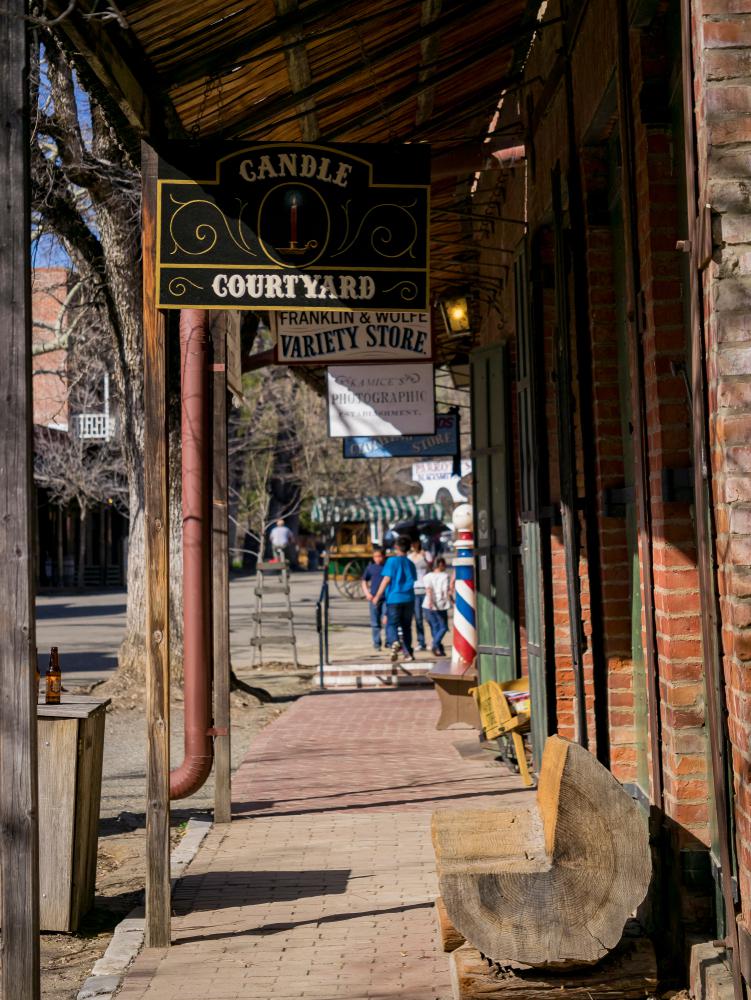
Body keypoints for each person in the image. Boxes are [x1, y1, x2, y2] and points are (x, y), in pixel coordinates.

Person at [373, 535, 417, 661]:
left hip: (394, 598)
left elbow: (386, 579)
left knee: (392, 624)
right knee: (406, 626)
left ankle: (394, 641)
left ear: (396, 547)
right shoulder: (410, 563)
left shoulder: (391, 561)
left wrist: (377, 596)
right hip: (409, 598)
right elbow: (412, 579)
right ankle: (408, 653)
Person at [408, 539, 433, 652]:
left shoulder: (426, 554)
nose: (414, 545)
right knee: (418, 618)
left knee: (429, 617)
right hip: (414, 589)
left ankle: (434, 640)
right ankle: (421, 642)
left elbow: (431, 568)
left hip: (426, 589)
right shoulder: (409, 556)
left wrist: (425, 558)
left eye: (415, 542)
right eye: (412, 543)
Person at [423, 557, 451, 656]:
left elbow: (428, 590)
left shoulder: (427, 576)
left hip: (427, 605)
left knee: (435, 627)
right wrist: (450, 600)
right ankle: (435, 644)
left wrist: (430, 601)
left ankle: (439, 650)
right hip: (440, 604)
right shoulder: (445, 576)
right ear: (441, 565)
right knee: (443, 627)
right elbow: (445, 591)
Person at [361, 547, 387, 650]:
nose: (377, 558)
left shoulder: (387, 567)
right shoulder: (370, 568)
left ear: (384, 556)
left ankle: (389, 641)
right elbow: (363, 581)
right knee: (375, 622)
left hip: (386, 598)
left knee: (386, 621)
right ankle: (377, 643)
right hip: (373, 598)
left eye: (379, 556)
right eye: (375, 556)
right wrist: (367, 593)